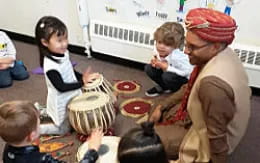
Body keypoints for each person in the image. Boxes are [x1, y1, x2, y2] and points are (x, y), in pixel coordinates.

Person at [149, 8, 251, 163]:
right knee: (154, 108)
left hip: (203, 137)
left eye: (193, 47)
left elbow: (217, 138)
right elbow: (188, 87)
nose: (186, 51)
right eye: (186, 44)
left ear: (215, 46)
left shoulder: (212, 86)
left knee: (146, 142)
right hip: (200, 114)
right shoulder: (223, 52)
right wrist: (162, 106)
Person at [35, 16, 99, 135]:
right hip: (61, 99)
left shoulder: (63, 53)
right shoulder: (50, 67)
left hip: (72, 93)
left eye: (65, 38)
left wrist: (82, 77)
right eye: (59, 41)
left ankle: (44, 110)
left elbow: (70, 70)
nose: (64, 44)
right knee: (65, 129)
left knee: (76, 115)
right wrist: (81, 83)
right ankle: (37, 129)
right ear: (44, 42)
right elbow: (61, 87)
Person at [0, 100, 103, 163]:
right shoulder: (41, 159)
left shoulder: (8, 149)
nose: (40, 124)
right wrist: (92, 149)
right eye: (38, 123)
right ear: (32, 136)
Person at [145, 22, 192, 97]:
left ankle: (179, 92)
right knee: (149, 68)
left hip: (185, 78)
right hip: (170, 70)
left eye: (167, 44)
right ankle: (165, 86)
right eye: (159, 42)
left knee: (168, 77)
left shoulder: (178, 56)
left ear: (176, 45)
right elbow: (160, 59)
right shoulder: (157, 49)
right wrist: (156, 63)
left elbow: (187, 72)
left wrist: (167, 67)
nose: (161, 46)